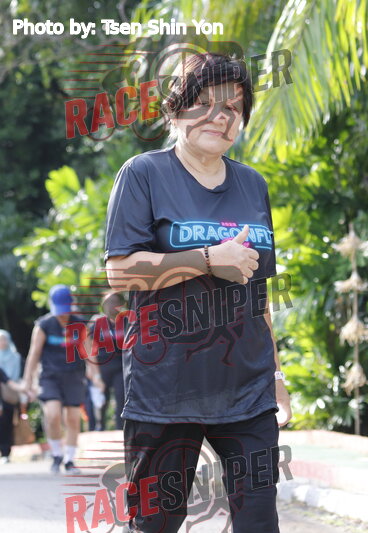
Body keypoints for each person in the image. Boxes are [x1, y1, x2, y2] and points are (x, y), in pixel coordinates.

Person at [104, 52, 290, 533]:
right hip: (165, 387)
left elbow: (259, 294)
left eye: (233, 107)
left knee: (259, 522)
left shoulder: (253, 184)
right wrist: (206, 259)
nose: (220, 116)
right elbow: (121, 273)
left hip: (248, 390)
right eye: (205, 103)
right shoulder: (143, 174)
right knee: (156, 524)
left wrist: (276, 375)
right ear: (176, 109)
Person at [21, 285, 100, 474]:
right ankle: (57, 453)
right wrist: (27, 380)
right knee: (52, 414)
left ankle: (69, 460)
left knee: (72, 418)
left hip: (74, 375)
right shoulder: (44, 325)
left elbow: (89, 351)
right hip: (49, 376)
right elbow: (34, 354)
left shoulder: (80, 324)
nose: (63, 315)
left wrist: (96, 375)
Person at [85, 291, 126, 430]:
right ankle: (97, 428)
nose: (111, 305)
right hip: (101, 366)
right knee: (100, 400)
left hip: (120, 366)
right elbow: (87, 347)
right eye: (108, 302)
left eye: (114, 302)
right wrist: (91, 370)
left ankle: (121, 429)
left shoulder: (126, 321)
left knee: (121, 397)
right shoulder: (96, 322)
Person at [0, 330, 23, 463]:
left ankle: (5, 452)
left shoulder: (16, 357)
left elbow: (9, 381)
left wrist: (26, 390)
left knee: (6, 424)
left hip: (9, 397)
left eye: (4, 339)